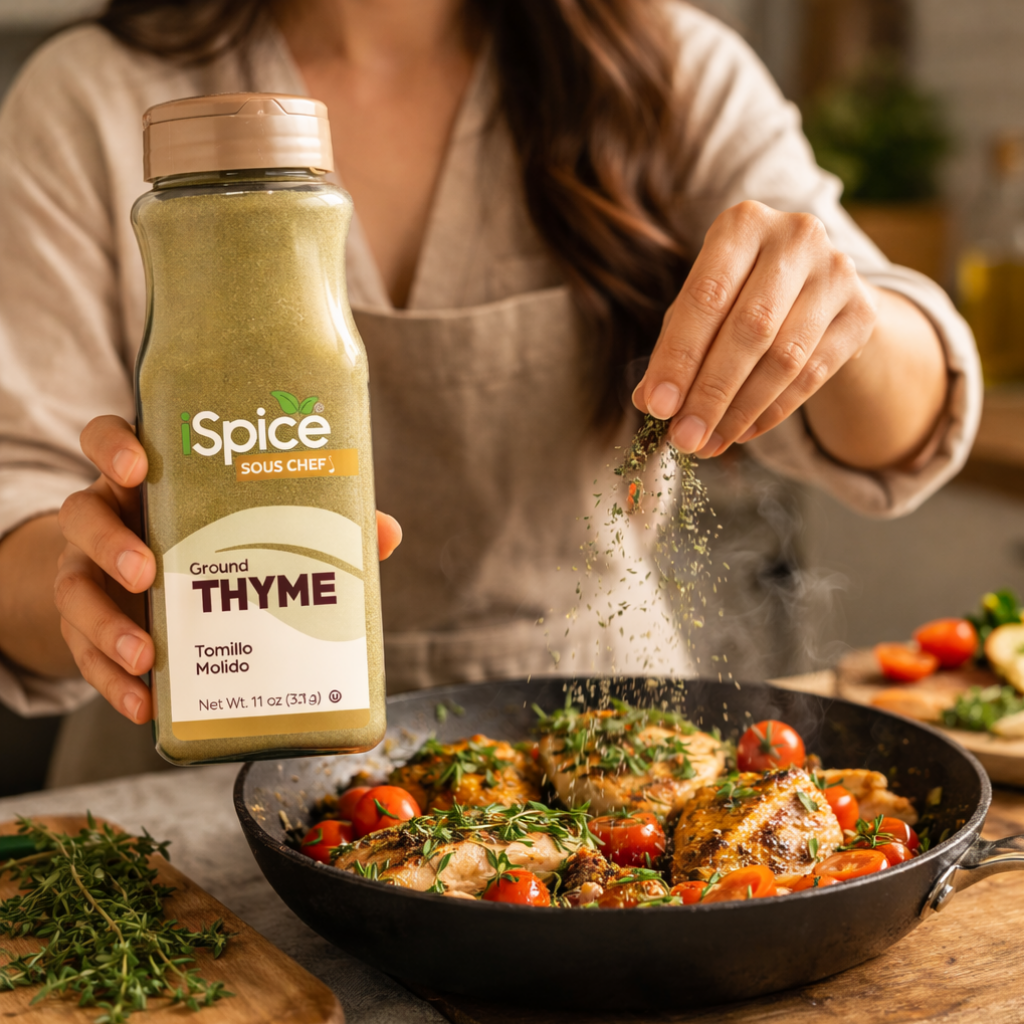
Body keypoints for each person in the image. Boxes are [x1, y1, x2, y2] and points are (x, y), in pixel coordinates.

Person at [0, 0, 980, 783]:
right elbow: (19, 525)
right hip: (203, 764)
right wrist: (92, 580)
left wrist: (834, 315)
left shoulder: (669, 66)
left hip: (613, 759)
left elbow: (904, 419)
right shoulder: (88, 98)